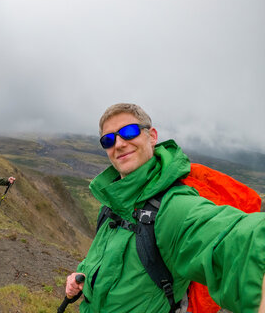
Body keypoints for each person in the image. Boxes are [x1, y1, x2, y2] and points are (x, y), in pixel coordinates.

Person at [65, 103, 265, 313]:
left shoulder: (173, 206)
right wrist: (84, 276)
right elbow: (105, 259)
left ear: (152, 136)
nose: (119, 144)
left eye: (129, 131)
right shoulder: (111, 205)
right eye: (108, 140)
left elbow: (232, 242)